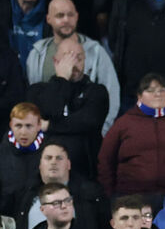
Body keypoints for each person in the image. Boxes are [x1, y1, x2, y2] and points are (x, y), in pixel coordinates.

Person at [97, 73, 165, 199]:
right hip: (132, 197)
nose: (157, 94)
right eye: (150, 90)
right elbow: (105, 160)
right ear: (139, 96)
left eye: (162, 90)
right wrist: (111, 195)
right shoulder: (123, 124)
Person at [25, 0, 120, 134]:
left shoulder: (96, 51)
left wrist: (101, 133)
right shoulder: (37, 53)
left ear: (77, 17)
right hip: (46, 141)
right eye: (59, 15)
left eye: (70, 15)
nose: (66, 20)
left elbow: (112, 96)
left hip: (86, 138)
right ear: (48, 19)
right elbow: (34, 98)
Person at [25, 37, 108, 179]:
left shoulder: (97, 91)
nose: (74, 63)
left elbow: (87, 121)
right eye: (68, 58)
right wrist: (62, 78)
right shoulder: (37, 91)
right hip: (43, 171)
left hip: (84, 172)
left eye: (78, 58)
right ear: (55, 61)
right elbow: (50, 110)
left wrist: (49, 125)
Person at [12, 141, 108, 229]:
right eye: (48, 158)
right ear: (40, 165)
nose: (53, 162)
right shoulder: (23, 193)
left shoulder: (90, 193)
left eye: (59, 158)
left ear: (69, 164)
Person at [0, 102, 45, 216]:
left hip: (38, 216)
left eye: (29, 126)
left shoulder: (51, 151)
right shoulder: (2, 151)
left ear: (39, 125)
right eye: (18, 126)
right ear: (11, 125)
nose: (23, 132)